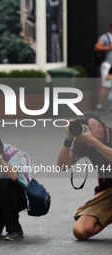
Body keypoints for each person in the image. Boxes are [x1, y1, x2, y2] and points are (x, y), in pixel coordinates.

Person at [57, 111, 112, 240]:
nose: (86, 134)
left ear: (100, 127)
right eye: (84, 130)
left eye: (89, 130)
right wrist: (68, 139)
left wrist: (93, 142)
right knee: (80, 231)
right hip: (107, 194)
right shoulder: (83, 140)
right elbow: (62, 166)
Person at [94, 22, 112, 112]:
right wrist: (108, 47)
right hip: (108, 65)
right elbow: (97, 47)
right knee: (106, 85)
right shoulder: (106, 37)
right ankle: (99, 106)